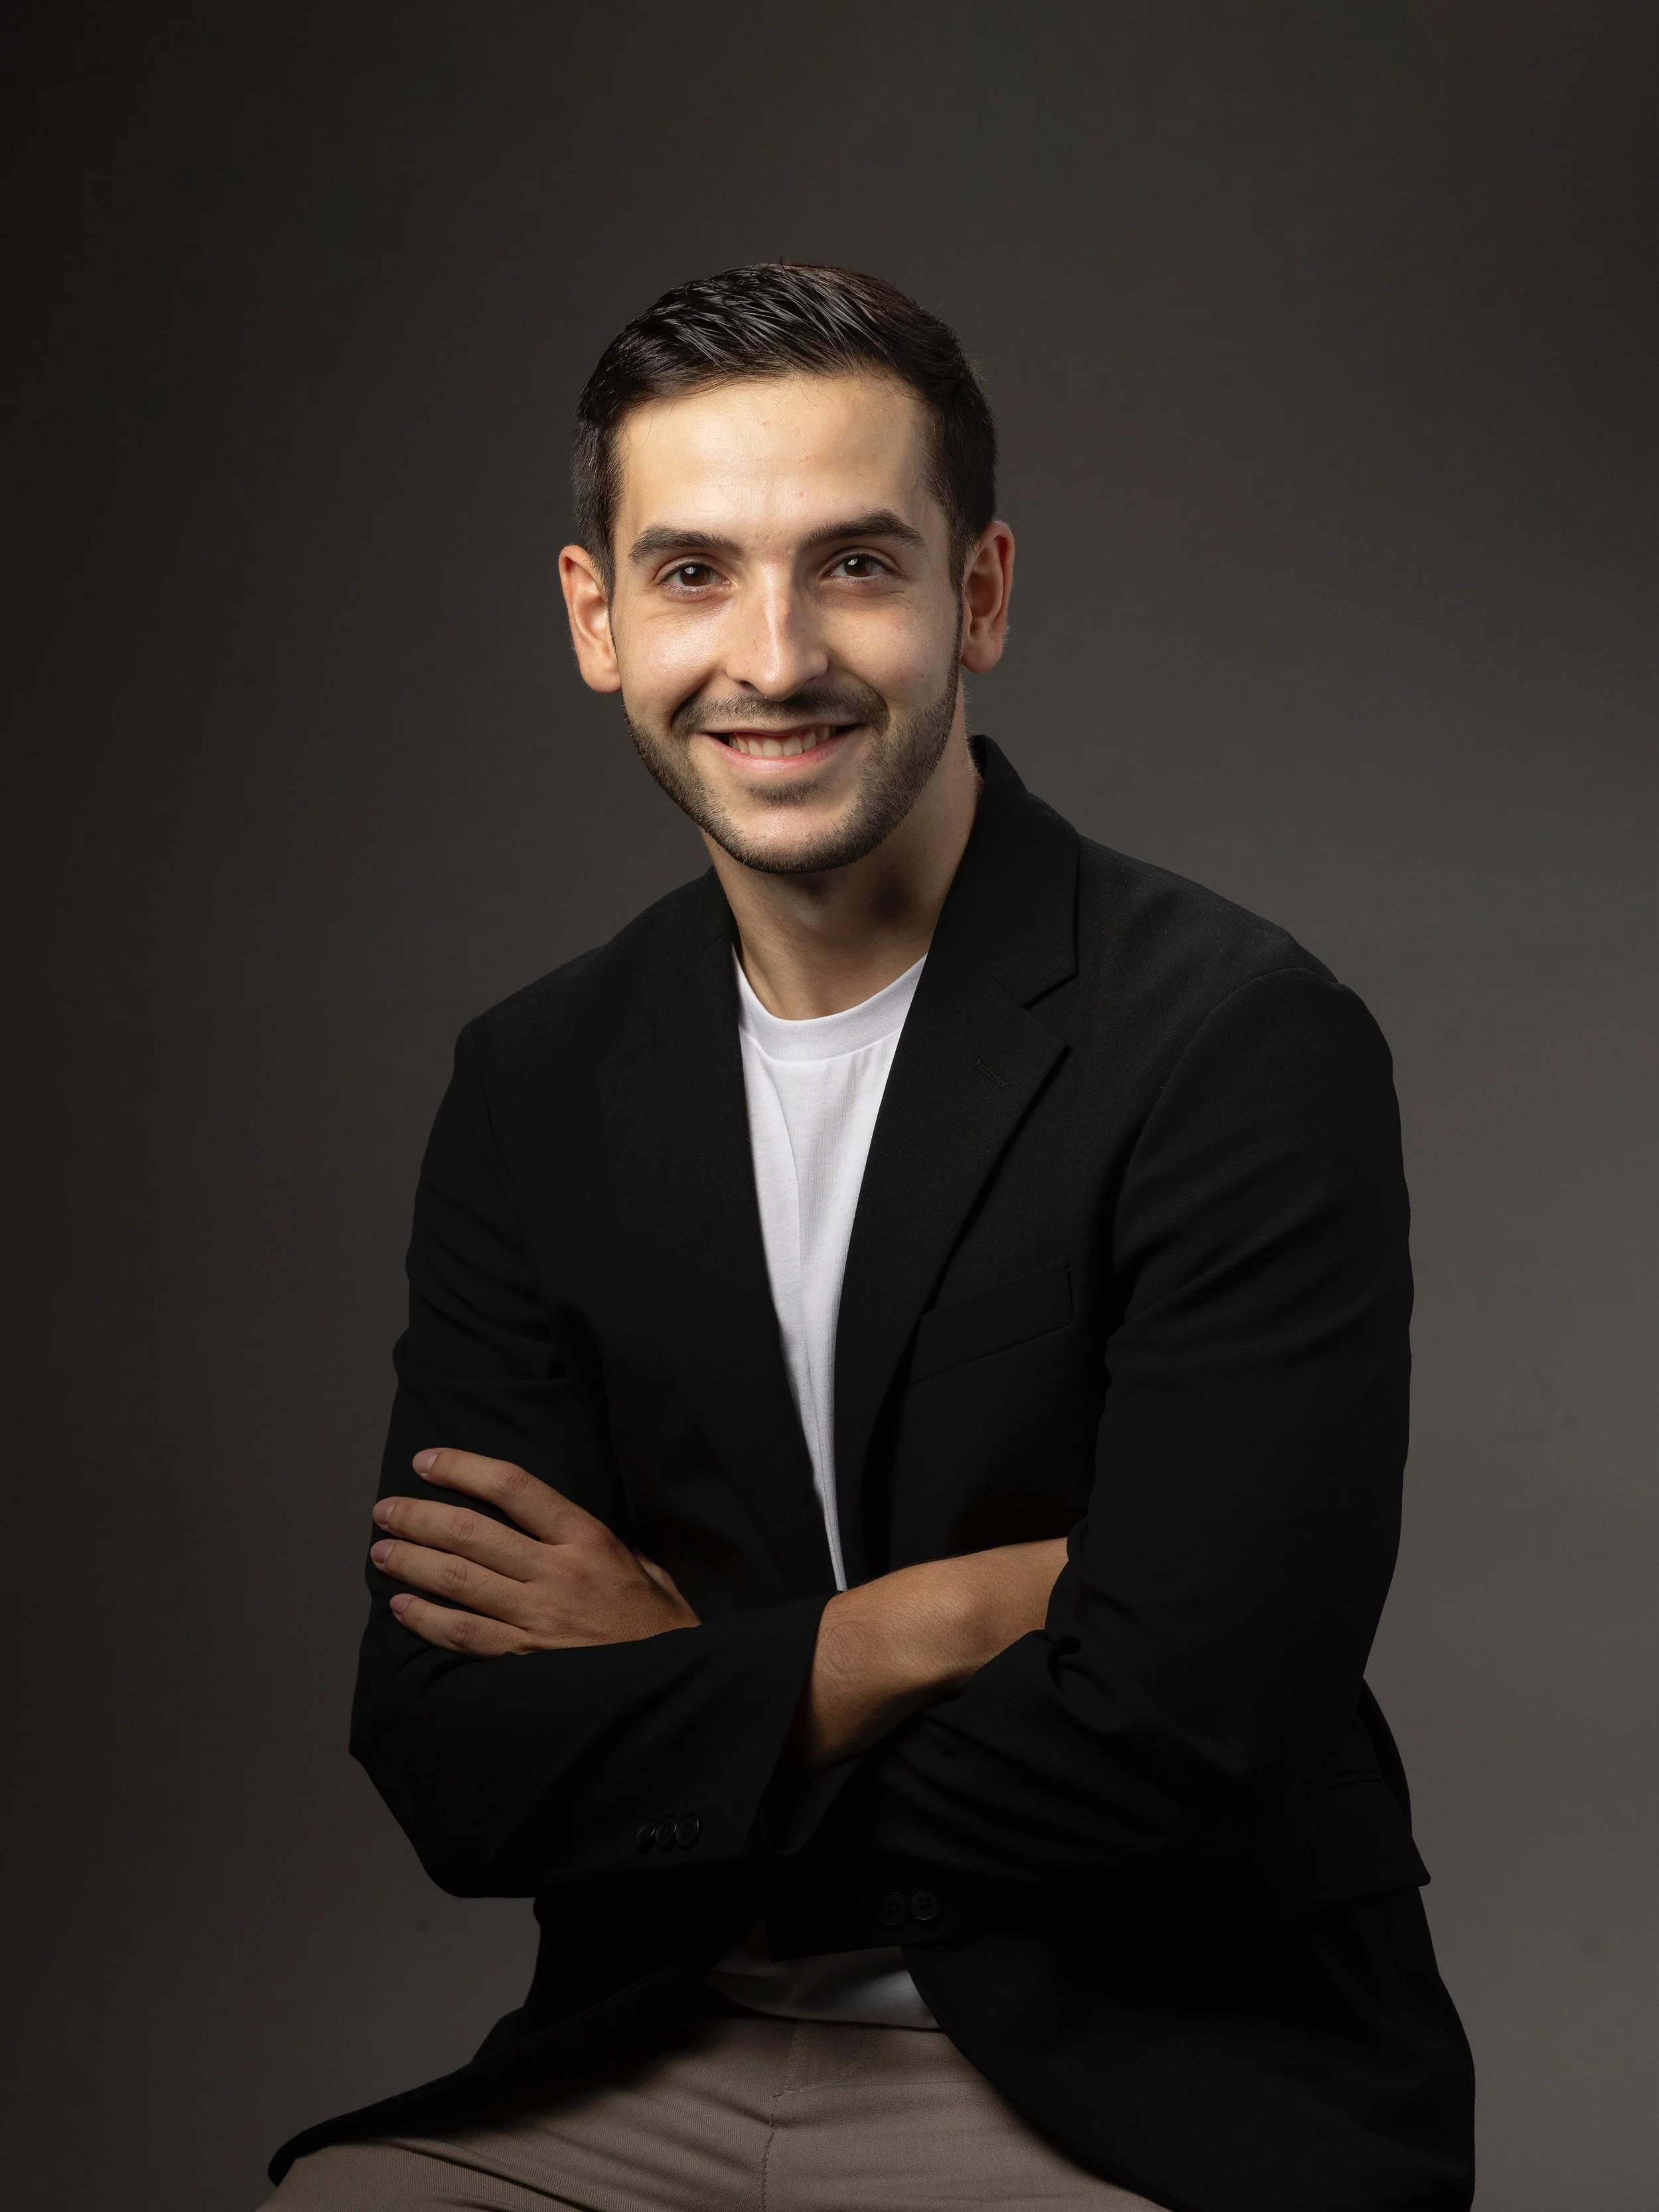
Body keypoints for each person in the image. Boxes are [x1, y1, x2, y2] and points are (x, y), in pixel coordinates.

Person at [264, 263, 1474, 2212]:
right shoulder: (535, 1079)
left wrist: (686, 1691)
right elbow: (453, 1754)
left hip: (1136, 2073)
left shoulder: (1233, 1041)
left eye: (851, 565)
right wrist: (900, 1630)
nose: (770, 655)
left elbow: (1186, 1740)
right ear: (594, 620)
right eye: (687, 574)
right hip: (653, 2048)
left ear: (975, 595)